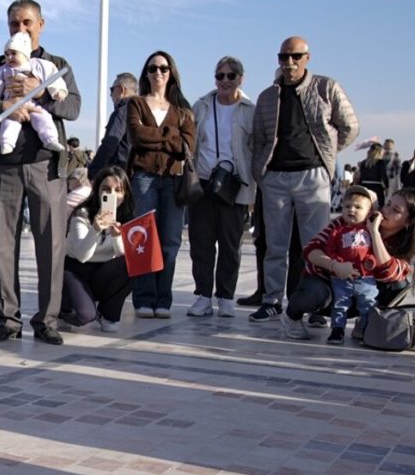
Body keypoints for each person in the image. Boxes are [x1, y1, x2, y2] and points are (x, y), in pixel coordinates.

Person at [0, 0, 80, 346]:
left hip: (46, 166)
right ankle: (8, 321)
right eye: (14, 23)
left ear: (41, 24)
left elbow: (74, 106)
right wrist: (4, 108)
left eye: (27, 22)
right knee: (3, 246)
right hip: (3, 167)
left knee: (51, 243)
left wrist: (41, 92)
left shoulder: (56, 64)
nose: (21, 29)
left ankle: (47, 320)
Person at [250, 36, 359, 322]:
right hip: (275, 178)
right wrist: (262, 172)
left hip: (312, 177)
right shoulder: (267, 96)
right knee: (275, 245)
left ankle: (316, 305)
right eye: (283, 57)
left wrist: (325, 153)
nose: (289, 63)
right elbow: (259, 138)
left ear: (307, 58)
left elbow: (349, 126)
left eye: (295, 56)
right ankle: (272, 300)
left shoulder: (326, 87)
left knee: (316, 247)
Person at [283, 188, 415, 341]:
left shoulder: (405, 244)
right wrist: (334, 266)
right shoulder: (354, 218)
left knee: (398, 285)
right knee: (314, 295)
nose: (386, 210)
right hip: (329, 284)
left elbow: (389, 273)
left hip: (361, 290)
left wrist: (374, 233)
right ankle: (292, 316)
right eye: (388, 204)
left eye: (395, 210)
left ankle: (366, 323)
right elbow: (311, 249)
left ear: (408, 222)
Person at [126, 51, 196, 319]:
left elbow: (187, 145)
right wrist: (170, 136)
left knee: (169, 241)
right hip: (143, 177)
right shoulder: (136, 104)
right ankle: (143, 298)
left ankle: (162, 299)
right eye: (153, 68)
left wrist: (159, 136)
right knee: (142, 238)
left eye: (163, 69)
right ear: (146, 73)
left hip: (174, 180)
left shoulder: (182, 110)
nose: (158, 73)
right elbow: (137, 137)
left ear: (171, 73)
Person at [186, 56, 256, 318]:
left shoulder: (250, 110)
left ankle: (225, 295)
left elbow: (256, 147)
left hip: (234, 183)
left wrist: (254, 189)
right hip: (203, 180)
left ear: (241, 78)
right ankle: (203, 295)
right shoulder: (202, 105)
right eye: (220, 75)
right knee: (200, 242)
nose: (225, 80)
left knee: (230, 243)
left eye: (231, 75)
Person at [62, 166, 135, 333]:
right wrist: (95, 229)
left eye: (118, 190)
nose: (112, 195)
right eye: (106, 189)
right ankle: (64, 309)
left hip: (102, 271)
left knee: (130, 265)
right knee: (85, 316)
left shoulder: (126, 217)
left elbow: (122, 255)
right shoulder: (82, 214)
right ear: (97, 191)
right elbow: (82, 256)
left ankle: (109, 313)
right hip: (75, 270)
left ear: (125, 195)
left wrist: (116, 236)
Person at [0, 31, 67, 155]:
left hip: (34, 104)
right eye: (7, 54)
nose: (9, 57)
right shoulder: (2, 70)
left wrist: (57, 91)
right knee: (8, 123)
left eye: (14, 53)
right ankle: (6, 143)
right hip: (12, 103)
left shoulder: (38, 65)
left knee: (44, 118)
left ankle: (50, 139)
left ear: (24, 53)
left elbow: (52, 74)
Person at [88, 72, 136, 180]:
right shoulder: (143, 113)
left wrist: (94, 171)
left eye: (112, 89)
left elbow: (109, 144)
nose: (110, 95)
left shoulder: (122, 112)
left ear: (121, 90)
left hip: (120, 173)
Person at [356, 143, 388, 208]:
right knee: (378, 206)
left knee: (365, 206)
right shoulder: (380, 162)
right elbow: (383, 176)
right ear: (379, 152)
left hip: (364, 186)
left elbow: (361, 177)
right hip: (376, 187)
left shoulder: (364, 163)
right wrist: (387, 186)